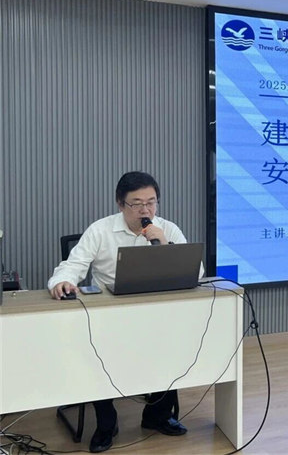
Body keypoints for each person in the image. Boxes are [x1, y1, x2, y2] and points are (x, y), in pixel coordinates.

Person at [48, 171, 195, 453]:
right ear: (120, 204)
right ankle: (106, 424)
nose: (145, 210)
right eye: (136, 204)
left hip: (156, 316)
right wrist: (62, 282)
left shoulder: (166, 229)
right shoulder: (100, 230)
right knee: (94, 352)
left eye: (151, 202)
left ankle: (157, 416)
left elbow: (195, 272)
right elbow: (72, 266)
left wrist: (165, 245)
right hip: (109, 318)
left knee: (177, 344)